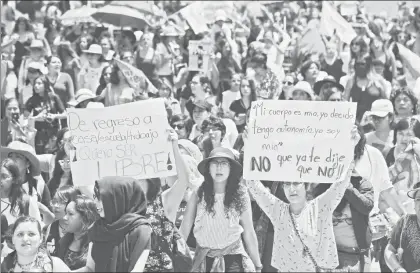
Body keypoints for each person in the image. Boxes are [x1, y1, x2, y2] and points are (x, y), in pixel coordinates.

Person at [243, 126, 359, 272]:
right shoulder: (277, 210)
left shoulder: (321, 206)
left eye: (297, 183)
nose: (292, 189)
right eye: (287, 184)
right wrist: (249, 146)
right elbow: (253, 184)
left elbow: (341, 183)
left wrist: (351, 146)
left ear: (306, 186)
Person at [180, 147, 262, 272]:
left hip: (233, 259)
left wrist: (257, 265)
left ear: (231, 168)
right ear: (208, 168)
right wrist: (176, 256)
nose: (219, 167)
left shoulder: (240, 193)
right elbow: (185, 227)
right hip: (203, 259)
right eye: (215, 163)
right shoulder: (198, 193)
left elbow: (249, 231)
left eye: (224, 163)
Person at [77, 177, 152, 272]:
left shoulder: (141, 230)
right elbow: (90, 269)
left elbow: (137, 270)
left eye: (101, 198)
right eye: (95, 197)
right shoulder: (97, 228)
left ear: (117, 199)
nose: (95, 202)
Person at [0, 216, 70, 272]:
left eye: (31, 234)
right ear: (13, 239)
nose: (25, 239)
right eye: (20, 234)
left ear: (41, 238)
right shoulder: (2, 264)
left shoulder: (55, 265)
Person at [384, 182, 420, 273]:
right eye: (418, 199)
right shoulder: (405, 222)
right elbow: (389, 250)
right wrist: (397, 268)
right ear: (414, 205)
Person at [57, 195, 99, 270]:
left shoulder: (96, 244)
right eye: (65, 213)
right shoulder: (63, 241)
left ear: (85, 217)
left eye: (70, 214)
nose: (65, 217)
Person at [46, 186, 81, 256]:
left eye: (62, 202)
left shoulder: (79, 230)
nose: (56, 206)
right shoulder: (50, 227)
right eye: (54, 201)